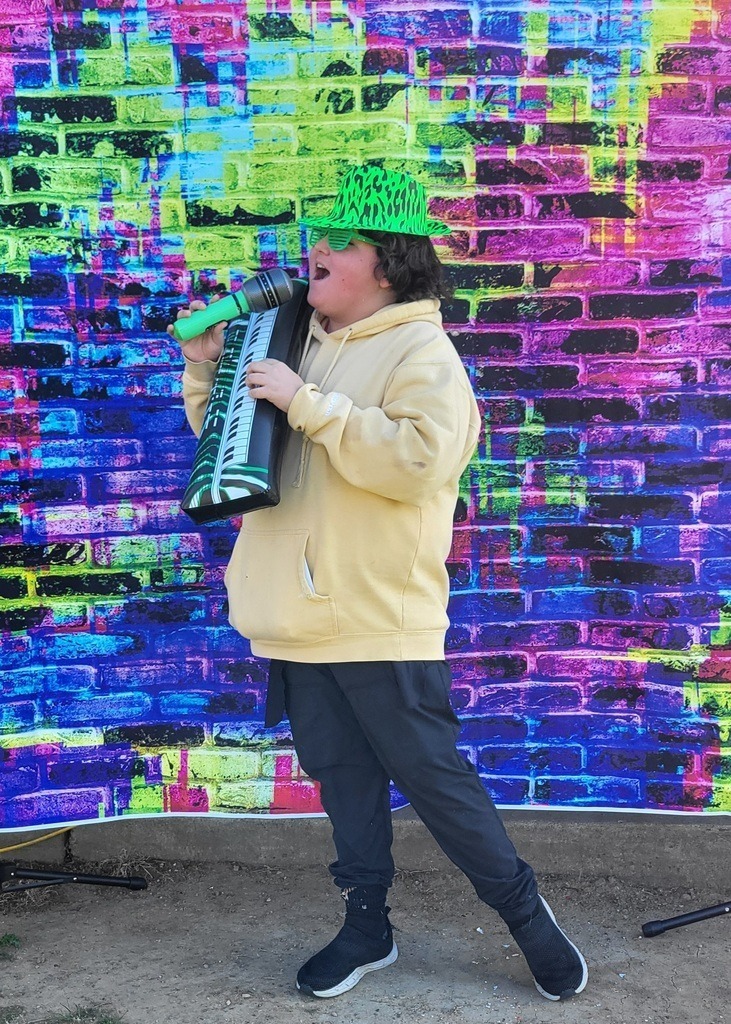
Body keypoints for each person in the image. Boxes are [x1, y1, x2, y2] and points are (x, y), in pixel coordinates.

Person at [172, 165, 588, 1002]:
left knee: (435, 781)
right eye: (316, 236)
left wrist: (310, 403)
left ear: (389, 263)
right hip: (292, 615)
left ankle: (525, 916)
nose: (315, 250)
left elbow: (418, 464)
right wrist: (207, 372)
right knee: (342, 781)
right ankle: (366, 925)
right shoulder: (295, 338)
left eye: (340, 241)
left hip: (374, 617)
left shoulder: (421, 352)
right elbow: (234, 451)